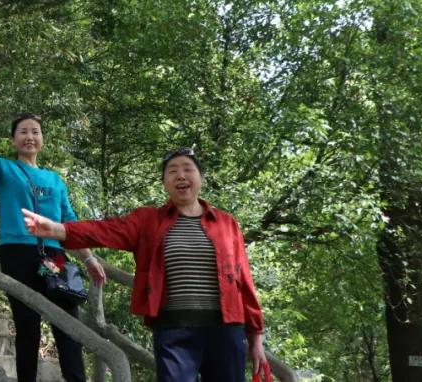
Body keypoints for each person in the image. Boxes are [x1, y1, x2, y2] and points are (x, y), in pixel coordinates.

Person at [20, 147, 272, 382]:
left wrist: (256, 337)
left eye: (188, 169)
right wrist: (57, 229)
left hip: (226, 331)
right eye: (172, 171)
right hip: (174, 331)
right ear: (165, 183)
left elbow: (244, 282)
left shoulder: (226, 224)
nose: (181, 175)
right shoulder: (149, 221)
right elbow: (104, 230)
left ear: (201, 178)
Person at [0, 91, 105, 382]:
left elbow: (70, 221)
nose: (30, 137)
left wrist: (89, 257)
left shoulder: (54, 179)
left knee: (68, 322)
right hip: (17, 251)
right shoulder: (6, 169)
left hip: (54, 254)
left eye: (35, 132)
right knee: (27, 324)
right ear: (14, 140)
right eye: (23, 132)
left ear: (42, 139)